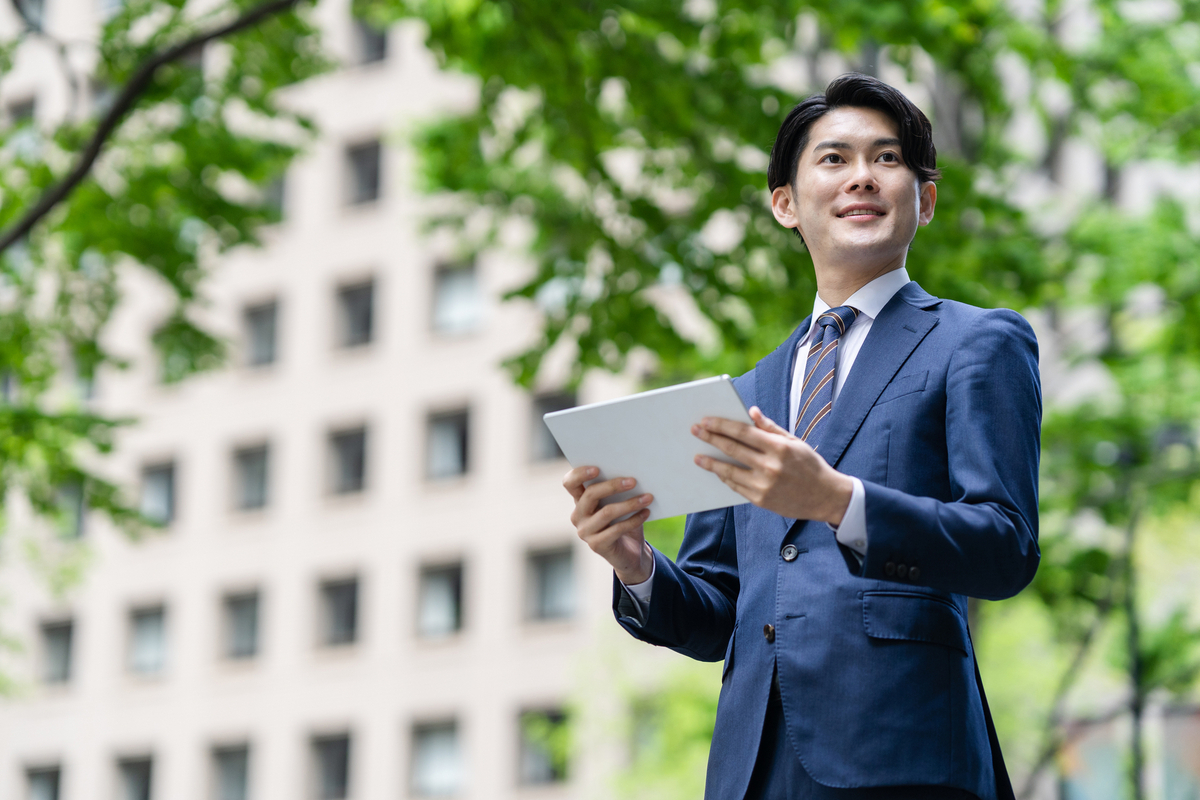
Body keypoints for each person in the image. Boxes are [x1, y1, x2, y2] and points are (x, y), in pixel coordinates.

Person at [563, 73, 1040, 800]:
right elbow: (719, 612)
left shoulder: (977, 341)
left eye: (888, 160)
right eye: (834, 159)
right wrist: (635, 563)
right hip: (752, 767)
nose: (863, 178)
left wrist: (840, 500)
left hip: (904, 755)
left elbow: (1004, 546)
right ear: (785, 203)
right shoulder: (747, 394)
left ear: (927, 199)